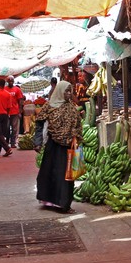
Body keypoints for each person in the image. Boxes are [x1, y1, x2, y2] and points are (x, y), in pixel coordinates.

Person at [33, 81, 82, 214]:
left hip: (68, 146)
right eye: (66, 91)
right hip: (53, 145)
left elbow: (78, 125)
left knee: (66, 176)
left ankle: (63, 203)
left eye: (70, 91)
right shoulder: (49, 106)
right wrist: (37, 141)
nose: (68, 94)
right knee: (48, 172)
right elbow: (39, 122)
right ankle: (48, 200)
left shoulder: (72, 107)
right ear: (60, 91)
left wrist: (76, 137)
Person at [5, 75, 25, 147]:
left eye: (11, 81)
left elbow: (20, 100)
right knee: (6, 127)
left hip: (15, 111)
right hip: (6, 112)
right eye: (9, 81)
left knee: (14, 128)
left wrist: (20, 111)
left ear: (13, 81)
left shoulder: (17, 89)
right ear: (7, 81)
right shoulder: (4, 89)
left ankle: (13, 142)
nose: (10, 82)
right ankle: (7, 141)